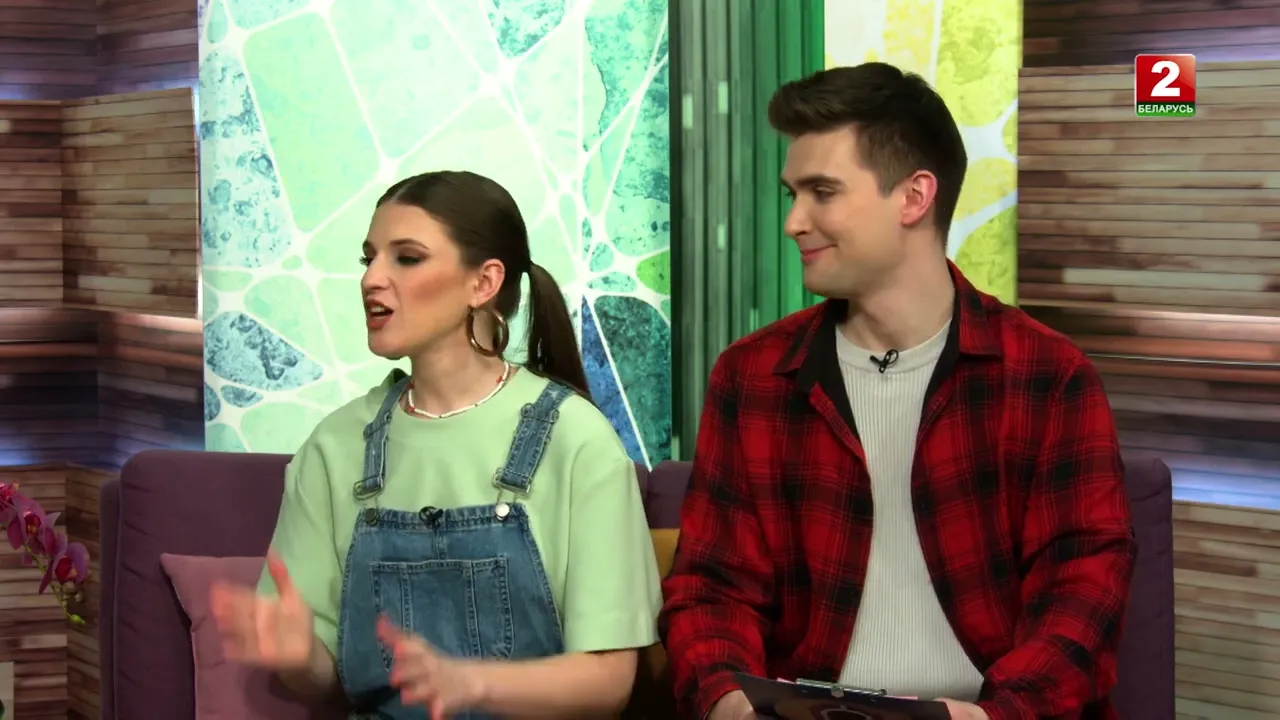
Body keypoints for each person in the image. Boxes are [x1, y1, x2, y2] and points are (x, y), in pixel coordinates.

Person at [659, 63, 1137, 720]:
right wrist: (730, 702)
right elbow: (711, 589)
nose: (794, 221)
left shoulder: (1047, 375)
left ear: (914, 197)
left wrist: (994, 716)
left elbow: (1083, 595)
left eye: (822, 192)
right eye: (792, 194)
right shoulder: (752, 376)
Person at [208, 170, 663, 719]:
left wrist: (467, 682)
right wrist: (299, 657)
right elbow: (328, 683)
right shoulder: (334, 445)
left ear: (483, 282)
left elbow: (607, 682)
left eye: (407, 258)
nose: (371, 279)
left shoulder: (578, 440)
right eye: (368, 258)